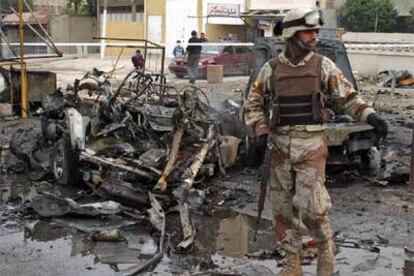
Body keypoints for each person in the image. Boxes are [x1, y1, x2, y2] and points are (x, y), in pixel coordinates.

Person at [244, 8, 387, 276]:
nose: (314, 36)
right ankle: (292, 264)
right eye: (309, 31)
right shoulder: (271, 69)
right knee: (283, 213)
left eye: (316, 31)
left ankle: (325, 258)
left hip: (310, 146)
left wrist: (371, 116)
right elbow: (252, 105)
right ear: (292, 34)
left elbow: (348, 98)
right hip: (279, 149)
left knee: (313, 211)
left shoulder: (322, 66)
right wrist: (261, 131)